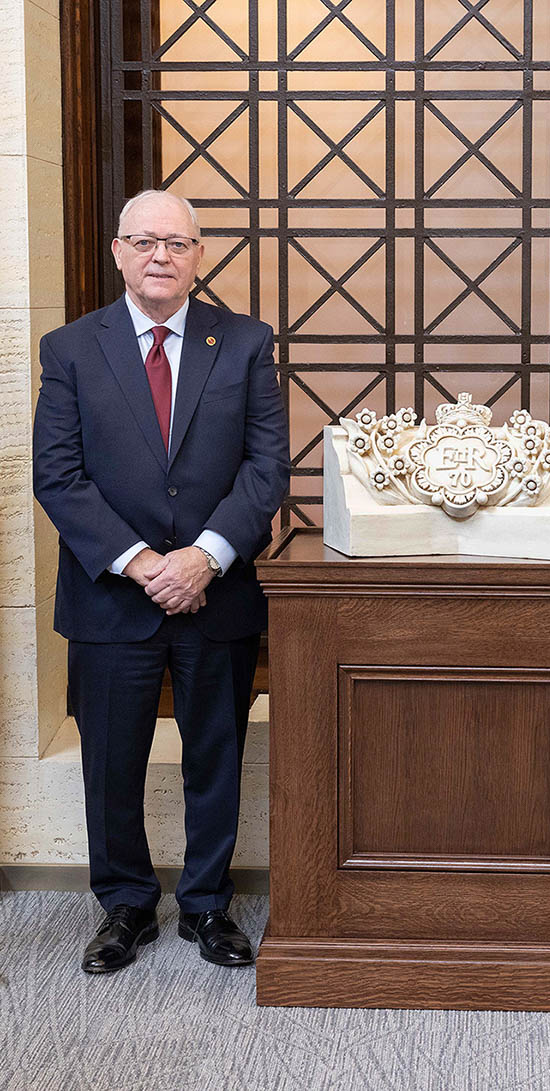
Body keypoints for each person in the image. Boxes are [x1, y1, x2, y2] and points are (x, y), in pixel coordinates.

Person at [33, 190, 290, 973]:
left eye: (176, 243)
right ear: (118, 251)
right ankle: (124, 905)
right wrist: (147, 564)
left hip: (217, 594)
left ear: (199, 255)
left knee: (216, 750)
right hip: (114, 596)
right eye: (144, 241)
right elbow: (58, 474)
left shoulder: (243, 342)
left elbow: (265, 466)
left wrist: (205, 555)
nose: (160, 256)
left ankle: (209, 904)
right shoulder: (73, 347)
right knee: (111, 758)